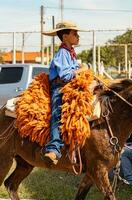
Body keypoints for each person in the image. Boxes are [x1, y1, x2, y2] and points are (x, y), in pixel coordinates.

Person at [42, 21, 87, 164]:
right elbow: (65, 76)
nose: (78, 36)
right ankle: (54, 148)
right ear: (65, 36)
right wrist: (81, 70)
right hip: (60, 88)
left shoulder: (71, 53)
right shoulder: (62, 53)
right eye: (75, 34)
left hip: (71, 88)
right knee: (57, 113)